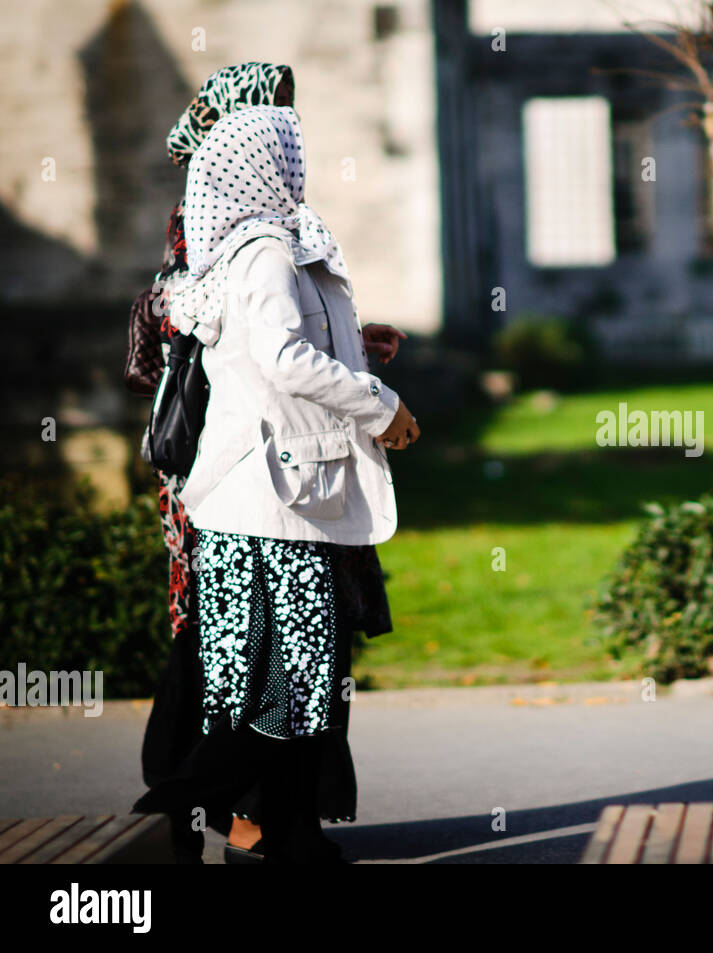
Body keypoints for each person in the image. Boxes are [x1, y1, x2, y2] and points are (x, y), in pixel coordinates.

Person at [131, 62, 408, 864]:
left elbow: (276, 341)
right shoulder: (245, 241)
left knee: (277, 683)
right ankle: (177, 811)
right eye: (279, 126)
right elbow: (275, 354)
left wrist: (356, 344)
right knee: (270, 681)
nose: (296, 146)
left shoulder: (250, 235)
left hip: (265, 488)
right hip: (263, 490)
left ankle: (274, 830)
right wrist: (381, 405)